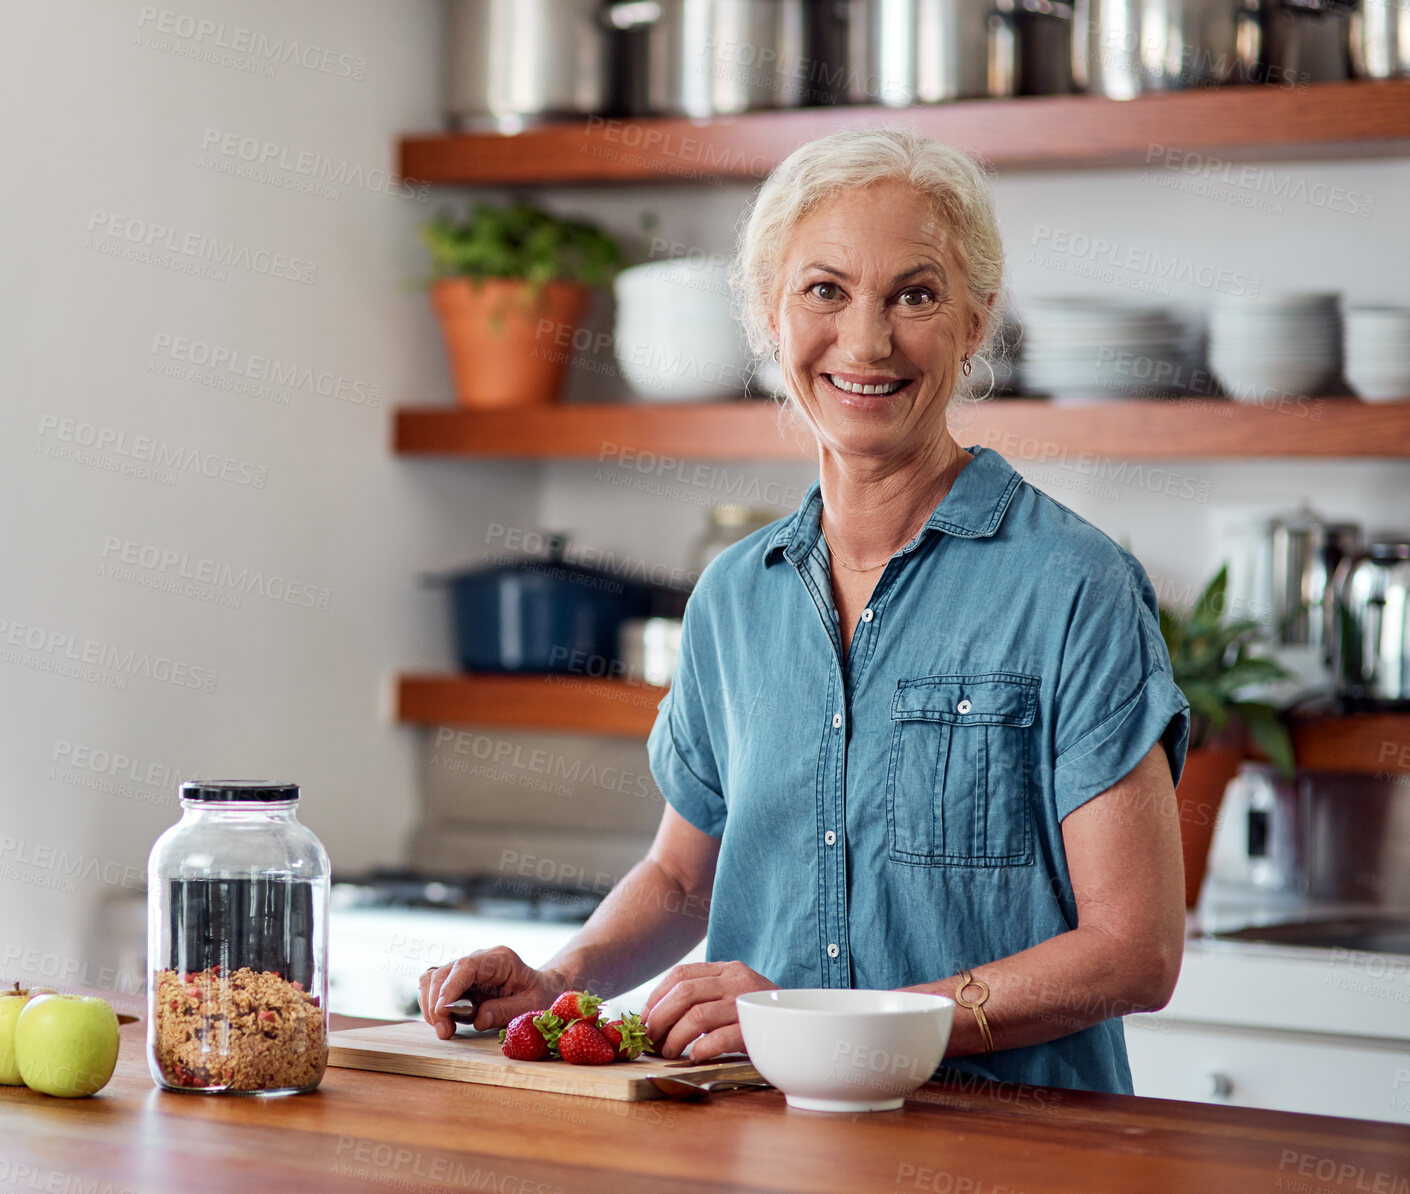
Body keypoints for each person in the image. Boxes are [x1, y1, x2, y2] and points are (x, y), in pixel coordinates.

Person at [419, 128, 1189, 1095]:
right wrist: (559, 981)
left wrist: (836, 1028)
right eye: (825, 290)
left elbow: (1134, 952)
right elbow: (684, 878)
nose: (867, 342)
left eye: (916, 295)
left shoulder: (1073, 588)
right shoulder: (735, 595)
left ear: (976, 321)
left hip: (1012, 1152)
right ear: (769, 319)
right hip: (762, 1141)